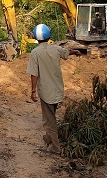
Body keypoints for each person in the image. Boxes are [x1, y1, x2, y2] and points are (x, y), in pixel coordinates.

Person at [26, 24, 80, 155]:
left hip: (46, 91)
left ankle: (55, 148)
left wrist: (33, 91)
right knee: (51, 116)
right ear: (48, 36)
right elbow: (66, 52)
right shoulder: (55, 49)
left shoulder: (35, 53)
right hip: (57, 90)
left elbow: (34, 74)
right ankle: (48, 141)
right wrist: (76, 52)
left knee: (49, 121)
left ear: (36, 37)